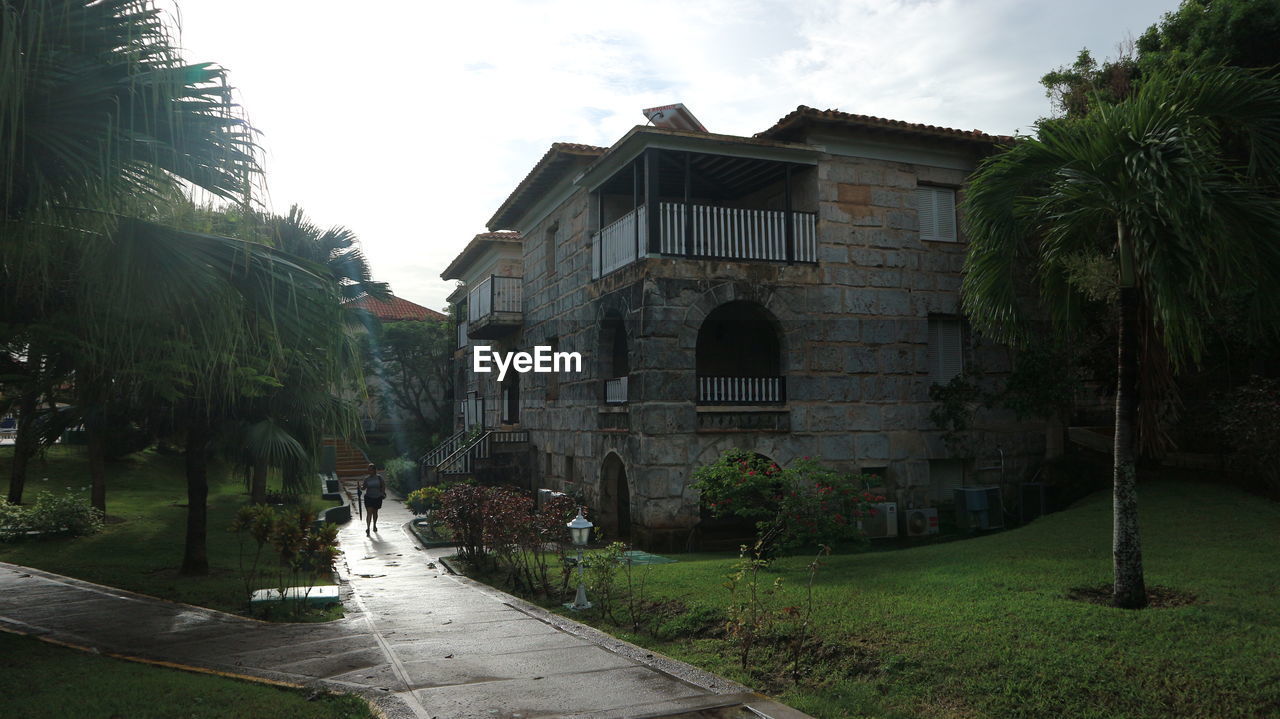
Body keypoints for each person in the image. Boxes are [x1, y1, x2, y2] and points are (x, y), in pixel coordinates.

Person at [359, 463, 386, 536]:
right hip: (368, 497)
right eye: (369, 470)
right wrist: (360, 487)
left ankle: (374, 525)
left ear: (374, 470)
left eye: (371, 470)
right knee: (369, 512)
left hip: (377, 497)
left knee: (375, 512)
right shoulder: (367, 479)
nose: (370, 471)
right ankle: (368, 528)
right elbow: (363, 487)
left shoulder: (379, 478)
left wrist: (382, 493)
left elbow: (383, 485)